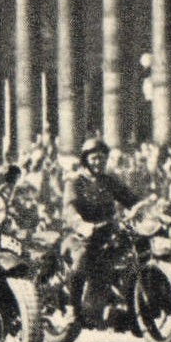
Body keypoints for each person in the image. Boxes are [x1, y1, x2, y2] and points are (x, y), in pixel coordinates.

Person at [63, 136, 141, 322]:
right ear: (86, 160)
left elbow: (130, 199)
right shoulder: (75, 182)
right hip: (82, 235)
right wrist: (81, 224)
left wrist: (145, 206)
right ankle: (72, 308)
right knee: (81, 257)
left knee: (131, 252)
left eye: (101, 158)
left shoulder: (109, 181)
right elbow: (69, 207)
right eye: (94, 158)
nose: (98, 162)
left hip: (109, 232)